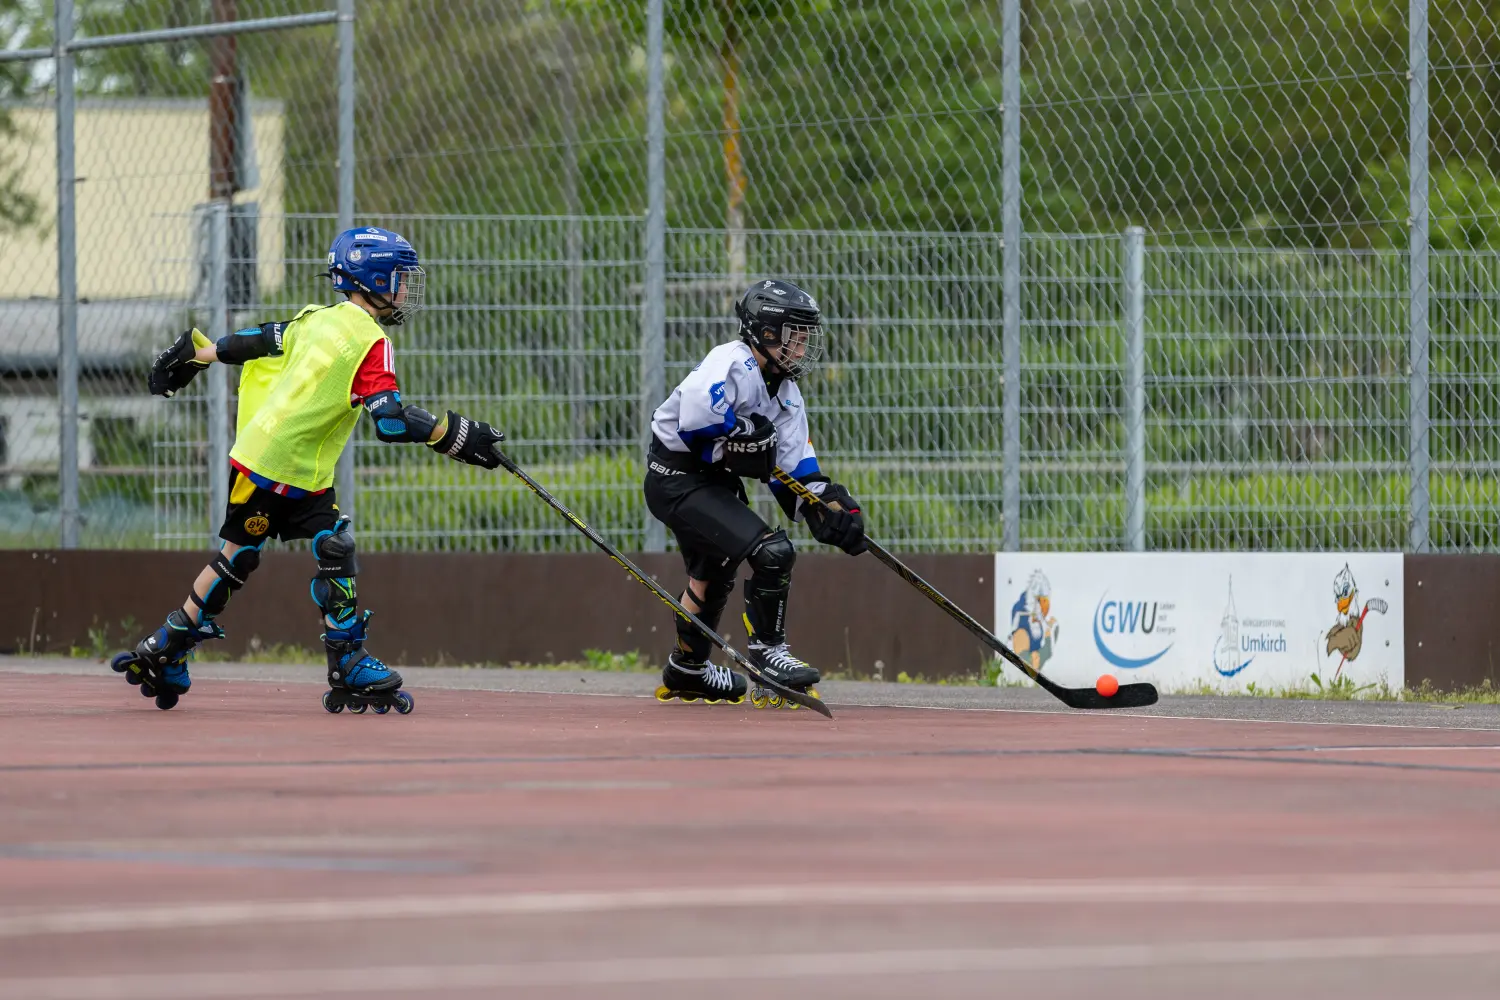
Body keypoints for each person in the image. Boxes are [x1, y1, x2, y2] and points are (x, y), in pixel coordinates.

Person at [111, 227, 505, 713]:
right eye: (401, 278)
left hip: (262, 458)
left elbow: (258, 339)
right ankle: (345, 661)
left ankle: (165, 648)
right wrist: (457, 436)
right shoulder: (371, 342)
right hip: (285, 464)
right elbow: (390, 421)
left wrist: (202, 354)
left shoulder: (315, 318)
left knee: (250, 556)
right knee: (311, 551)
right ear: (376, 278)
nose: (407, 289)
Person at [644, 278, 868, 707]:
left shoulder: (787, 395)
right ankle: (768, 656)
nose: (801, 350)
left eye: (805, 340)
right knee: (773, 552)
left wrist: (830, 507)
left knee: (714, 573)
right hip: (675, 477)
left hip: (713, 483)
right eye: (793, 338)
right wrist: (739, 432)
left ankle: (687, 668)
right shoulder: (731, 363)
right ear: (766, 332)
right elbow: (692, 420)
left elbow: (797, 473)